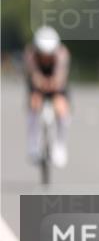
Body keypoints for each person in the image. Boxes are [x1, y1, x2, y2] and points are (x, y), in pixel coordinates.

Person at [23, 25, 72, 167]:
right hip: (37, 84)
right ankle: (33, 144)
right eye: (42, 53)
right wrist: (39, 82)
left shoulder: (62, 54)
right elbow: (32, 75)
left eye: (48, 54)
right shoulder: (30, 54)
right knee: (34, 103)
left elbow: (60, 77)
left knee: (61, 107)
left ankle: (60, 145)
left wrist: (53, 84)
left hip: (57, 84)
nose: (45, 57)